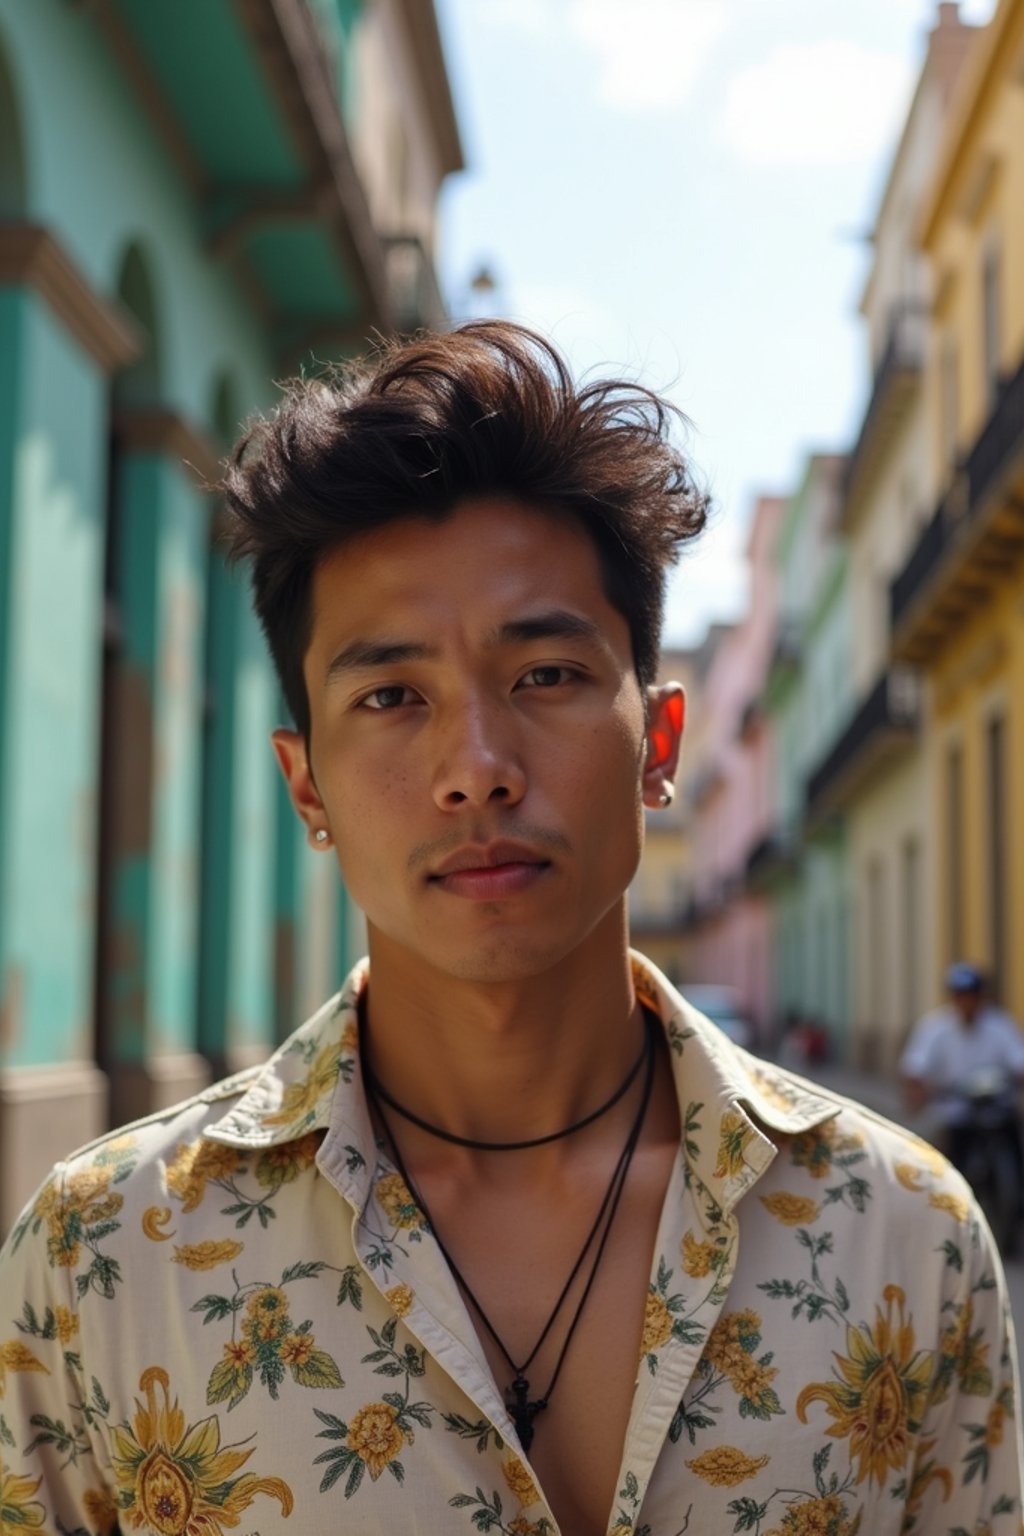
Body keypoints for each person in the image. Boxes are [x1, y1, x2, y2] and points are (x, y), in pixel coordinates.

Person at [1, 324, 1021, 1536]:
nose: (475, 771)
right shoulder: (107, 1253)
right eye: (389, 697)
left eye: (544, 676)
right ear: (306, 785)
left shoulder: (900, 1234)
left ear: (658, 744)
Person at [901, 961, 1024, 1176]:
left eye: (972, 995)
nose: (967, 1002)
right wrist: (918, 1090)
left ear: (981, 997)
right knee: (947, 1164)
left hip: (996, 1107)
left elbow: (1018, 1060)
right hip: (955, 1108)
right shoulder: (935, 1027)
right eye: (961, 995)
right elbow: (915, 1064)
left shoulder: (1000, 1024)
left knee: (1015, 1150)